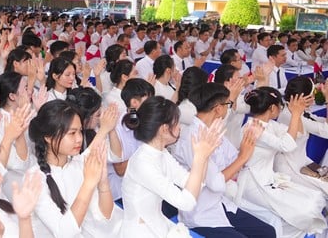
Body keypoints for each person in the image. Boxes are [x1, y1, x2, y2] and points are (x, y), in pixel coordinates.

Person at [173, 83, 276, 238]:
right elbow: (216, 183)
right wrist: (242, 157)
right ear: (218, 109)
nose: (229, 108)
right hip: (200, 214)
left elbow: (237, 160)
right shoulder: (192, 138)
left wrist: (249, 144)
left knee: (267, 232)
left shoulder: (214, 129)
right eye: (228, 104)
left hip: (220, 204)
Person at [121, 96, 223, 238]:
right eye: (176, 123)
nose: (180, 127)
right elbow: (185, 203)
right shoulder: (143, 163)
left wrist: (204, 156)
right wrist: (200, 158)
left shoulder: (160, 152)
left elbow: (191, 182)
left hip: (157, 225)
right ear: (164, 129)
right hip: (141, 232)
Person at [28, 100, 123, 237]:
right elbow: (64, 232)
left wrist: (103, 182)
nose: (79, 139)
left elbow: (106, 215)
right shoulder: (34, 178)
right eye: (72, 133)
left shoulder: (77, 164)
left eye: (80, 132)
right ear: (48, 137)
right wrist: (88, 184)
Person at [240, 87, 326, 237]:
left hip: (268, 177)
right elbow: (287, 145)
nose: (281, 109)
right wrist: (296, 114)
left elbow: (295, 135)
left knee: (314, 199)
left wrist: (296, 115)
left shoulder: (269, 124)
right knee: (304, 209)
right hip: (254, 182)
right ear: (272, 108)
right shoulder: (253, 127)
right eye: (280, 106)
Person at [276, 76, 328, 198]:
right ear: (303, 98)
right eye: (312, 93)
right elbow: (326, 131)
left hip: (301, 160)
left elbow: (321, 122)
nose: (314, 97)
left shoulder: (298, 111)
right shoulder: (291, 116)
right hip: (289, 167)